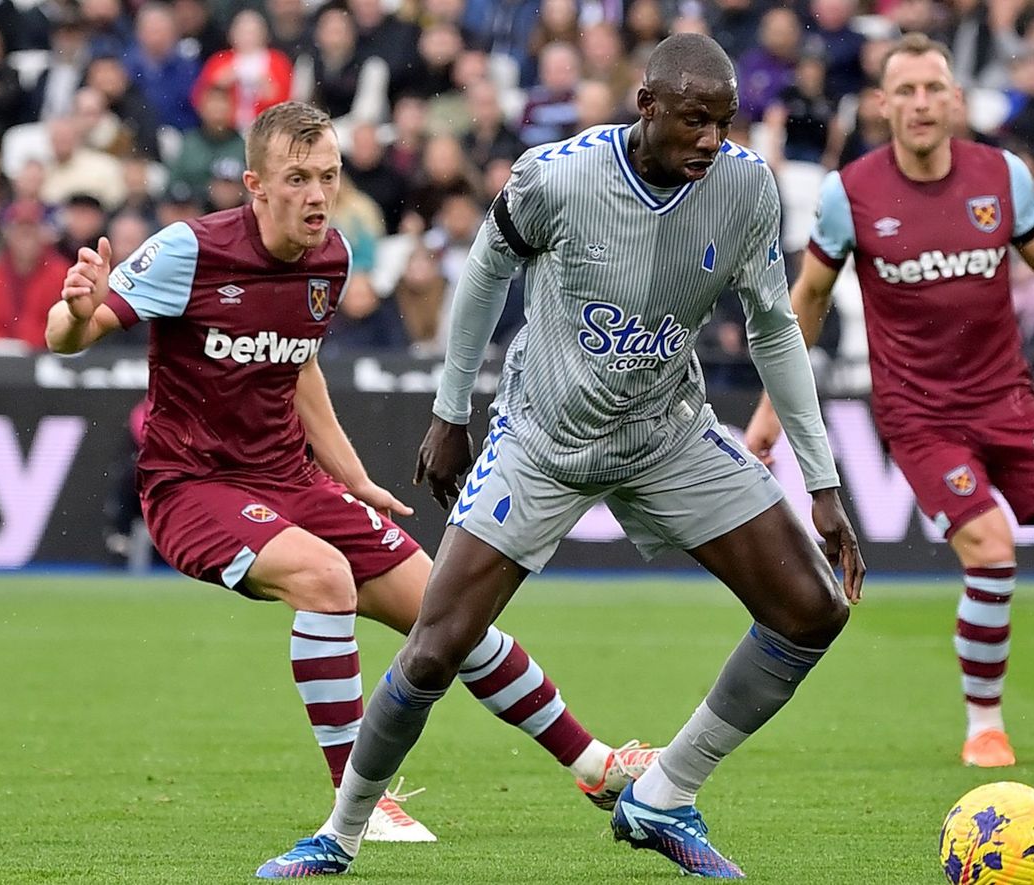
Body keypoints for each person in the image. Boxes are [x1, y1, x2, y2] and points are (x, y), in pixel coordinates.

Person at [257, 35, 864, 880]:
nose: (710, 140)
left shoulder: (744, 187)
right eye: (693, 120)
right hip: (542, 440)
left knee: (813, 607)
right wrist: (450, 411)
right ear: (646, 105)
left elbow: (774, 329)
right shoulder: (560, 176)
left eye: (723, 123)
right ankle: (340, 833)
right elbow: (485, 271)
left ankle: (664, 794)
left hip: (667, 434)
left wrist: (822, 481)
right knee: (434, 647)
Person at [44, 101, 658, 846]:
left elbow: (299, 370)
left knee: (449, 613)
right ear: (255, 185)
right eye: (298, 178)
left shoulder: (330, 257)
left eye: (329, 177)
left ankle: (593, 765)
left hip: (291, 480)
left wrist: (354, 480)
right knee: (326, 578)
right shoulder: (190, 250)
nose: (318, 195)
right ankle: (357, 805)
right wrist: (75, 310)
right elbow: (70, 336)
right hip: (193, 487)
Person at [744, 34, 1034, 769]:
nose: (921, 103)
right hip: (920, 418)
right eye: (906, 91)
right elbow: (809, 304)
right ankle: (985, 724)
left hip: (1009, 403)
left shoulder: (1002, 177)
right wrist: (771, 417)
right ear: (883, 104)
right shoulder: (850, 193)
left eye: (934, 89)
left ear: (956, 99)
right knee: (990, 548)